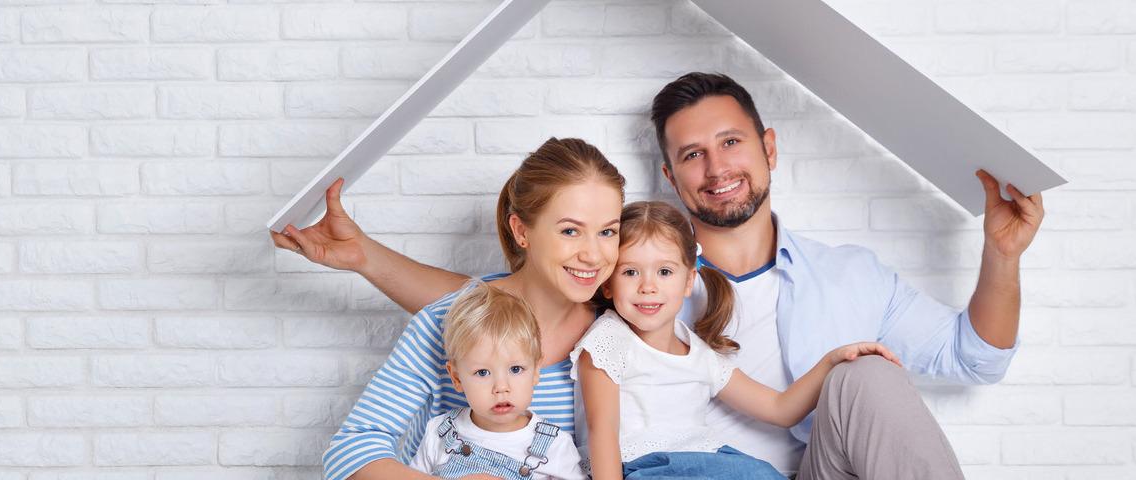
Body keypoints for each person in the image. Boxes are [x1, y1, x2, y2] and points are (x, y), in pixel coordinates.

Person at [274, 72, 1048, 479]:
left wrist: (1002, 255)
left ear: (769, 147)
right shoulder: (591, 303)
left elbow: (975, 358)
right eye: (690, 154)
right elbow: (485, 313)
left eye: (732, 143)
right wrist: (366, 257)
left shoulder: (826, 280)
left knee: (870, 380)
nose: (599, 256)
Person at [315, 138, 624, 480]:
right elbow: (350, 451)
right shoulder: (446, 321)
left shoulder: (616, 334)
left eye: (608, 231)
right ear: (521, 231)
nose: (594, 255)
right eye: (570, 231)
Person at [576, 200, 897, 480]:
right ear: (608, 285)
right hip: (641, 468)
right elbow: (602, 433)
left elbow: (779, 409)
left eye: (664, 272)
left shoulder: (698, 354)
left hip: (703, 461)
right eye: (630, 272)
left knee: (760, 474)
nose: (648, 286)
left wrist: (831, 361)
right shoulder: (608, 342)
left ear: (689, 281)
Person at [409, 282, 582, 480]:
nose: (501, 388)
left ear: (535, 371)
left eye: (515, 369)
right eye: (482, 372)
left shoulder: (555, 445)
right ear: (456, 377)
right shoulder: (440, 433)